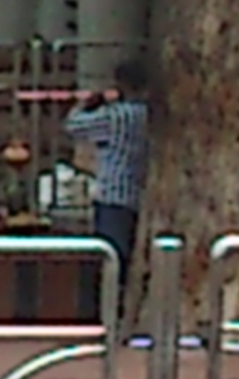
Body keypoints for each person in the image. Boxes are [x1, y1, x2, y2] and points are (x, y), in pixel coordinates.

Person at [65, 59, 149, 302]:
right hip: (141, 195)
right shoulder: (150, 116)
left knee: (111, 262)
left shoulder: (117, 117)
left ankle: (108, 314)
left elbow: (74, 126)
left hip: (115, 197)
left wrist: (88, 103)